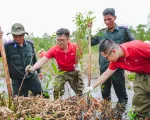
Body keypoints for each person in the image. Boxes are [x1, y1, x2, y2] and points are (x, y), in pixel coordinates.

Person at [83, 39, 150, 117]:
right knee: (139, 103)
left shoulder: (137, 47)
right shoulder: (115, 61)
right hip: (140, 75)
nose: (106, 60)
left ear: (113, 52)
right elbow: (106, 74)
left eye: (106, 58)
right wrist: (92, 87)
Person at [89, 8, 135, 104]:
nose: (107, 22)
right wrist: (89, 29)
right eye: (105, 20)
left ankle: (122, 113)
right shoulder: (101, 32)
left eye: (109, 19)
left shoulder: (124, 31)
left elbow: (133, 45)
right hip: (104, 66)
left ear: (115, 17)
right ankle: (107, 111)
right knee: (105, 94)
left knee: (121, 95)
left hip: (118, 67)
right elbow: (91, 42)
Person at [25, 28, 84, 99]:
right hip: (62, 72)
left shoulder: (75, 47)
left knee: (80, 90)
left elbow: (80, 57)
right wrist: (32, 68)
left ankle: (80, 103)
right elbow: (42, 60)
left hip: (74, 71)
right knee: (57, 88)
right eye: (58, 40)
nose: (60, 42)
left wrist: (77, 65)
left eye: (62, 40)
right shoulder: (54, 50)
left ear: (68, 39)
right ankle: (57, 104)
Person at [0, 23, 43, 97]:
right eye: (15, 36)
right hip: (17, 81)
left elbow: (34, 59)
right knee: (19, 102)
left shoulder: (30, 45)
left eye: (20, 35)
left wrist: (39, 72)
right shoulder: (7, 47)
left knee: (42, 96)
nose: (17, 38)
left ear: (23, 35)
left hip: (32, 78)